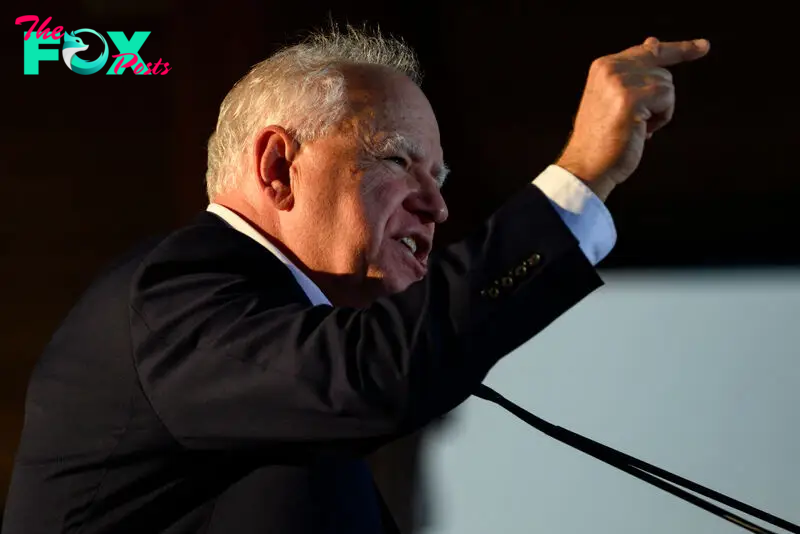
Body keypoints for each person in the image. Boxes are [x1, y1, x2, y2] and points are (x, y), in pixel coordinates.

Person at [2, 26, 709, 534]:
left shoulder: (287, 385)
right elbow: (369, 371)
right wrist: (582, 175)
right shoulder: (175, 292)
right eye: (400, 161)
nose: (437, 205)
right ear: (279, 168)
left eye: (440, 176)